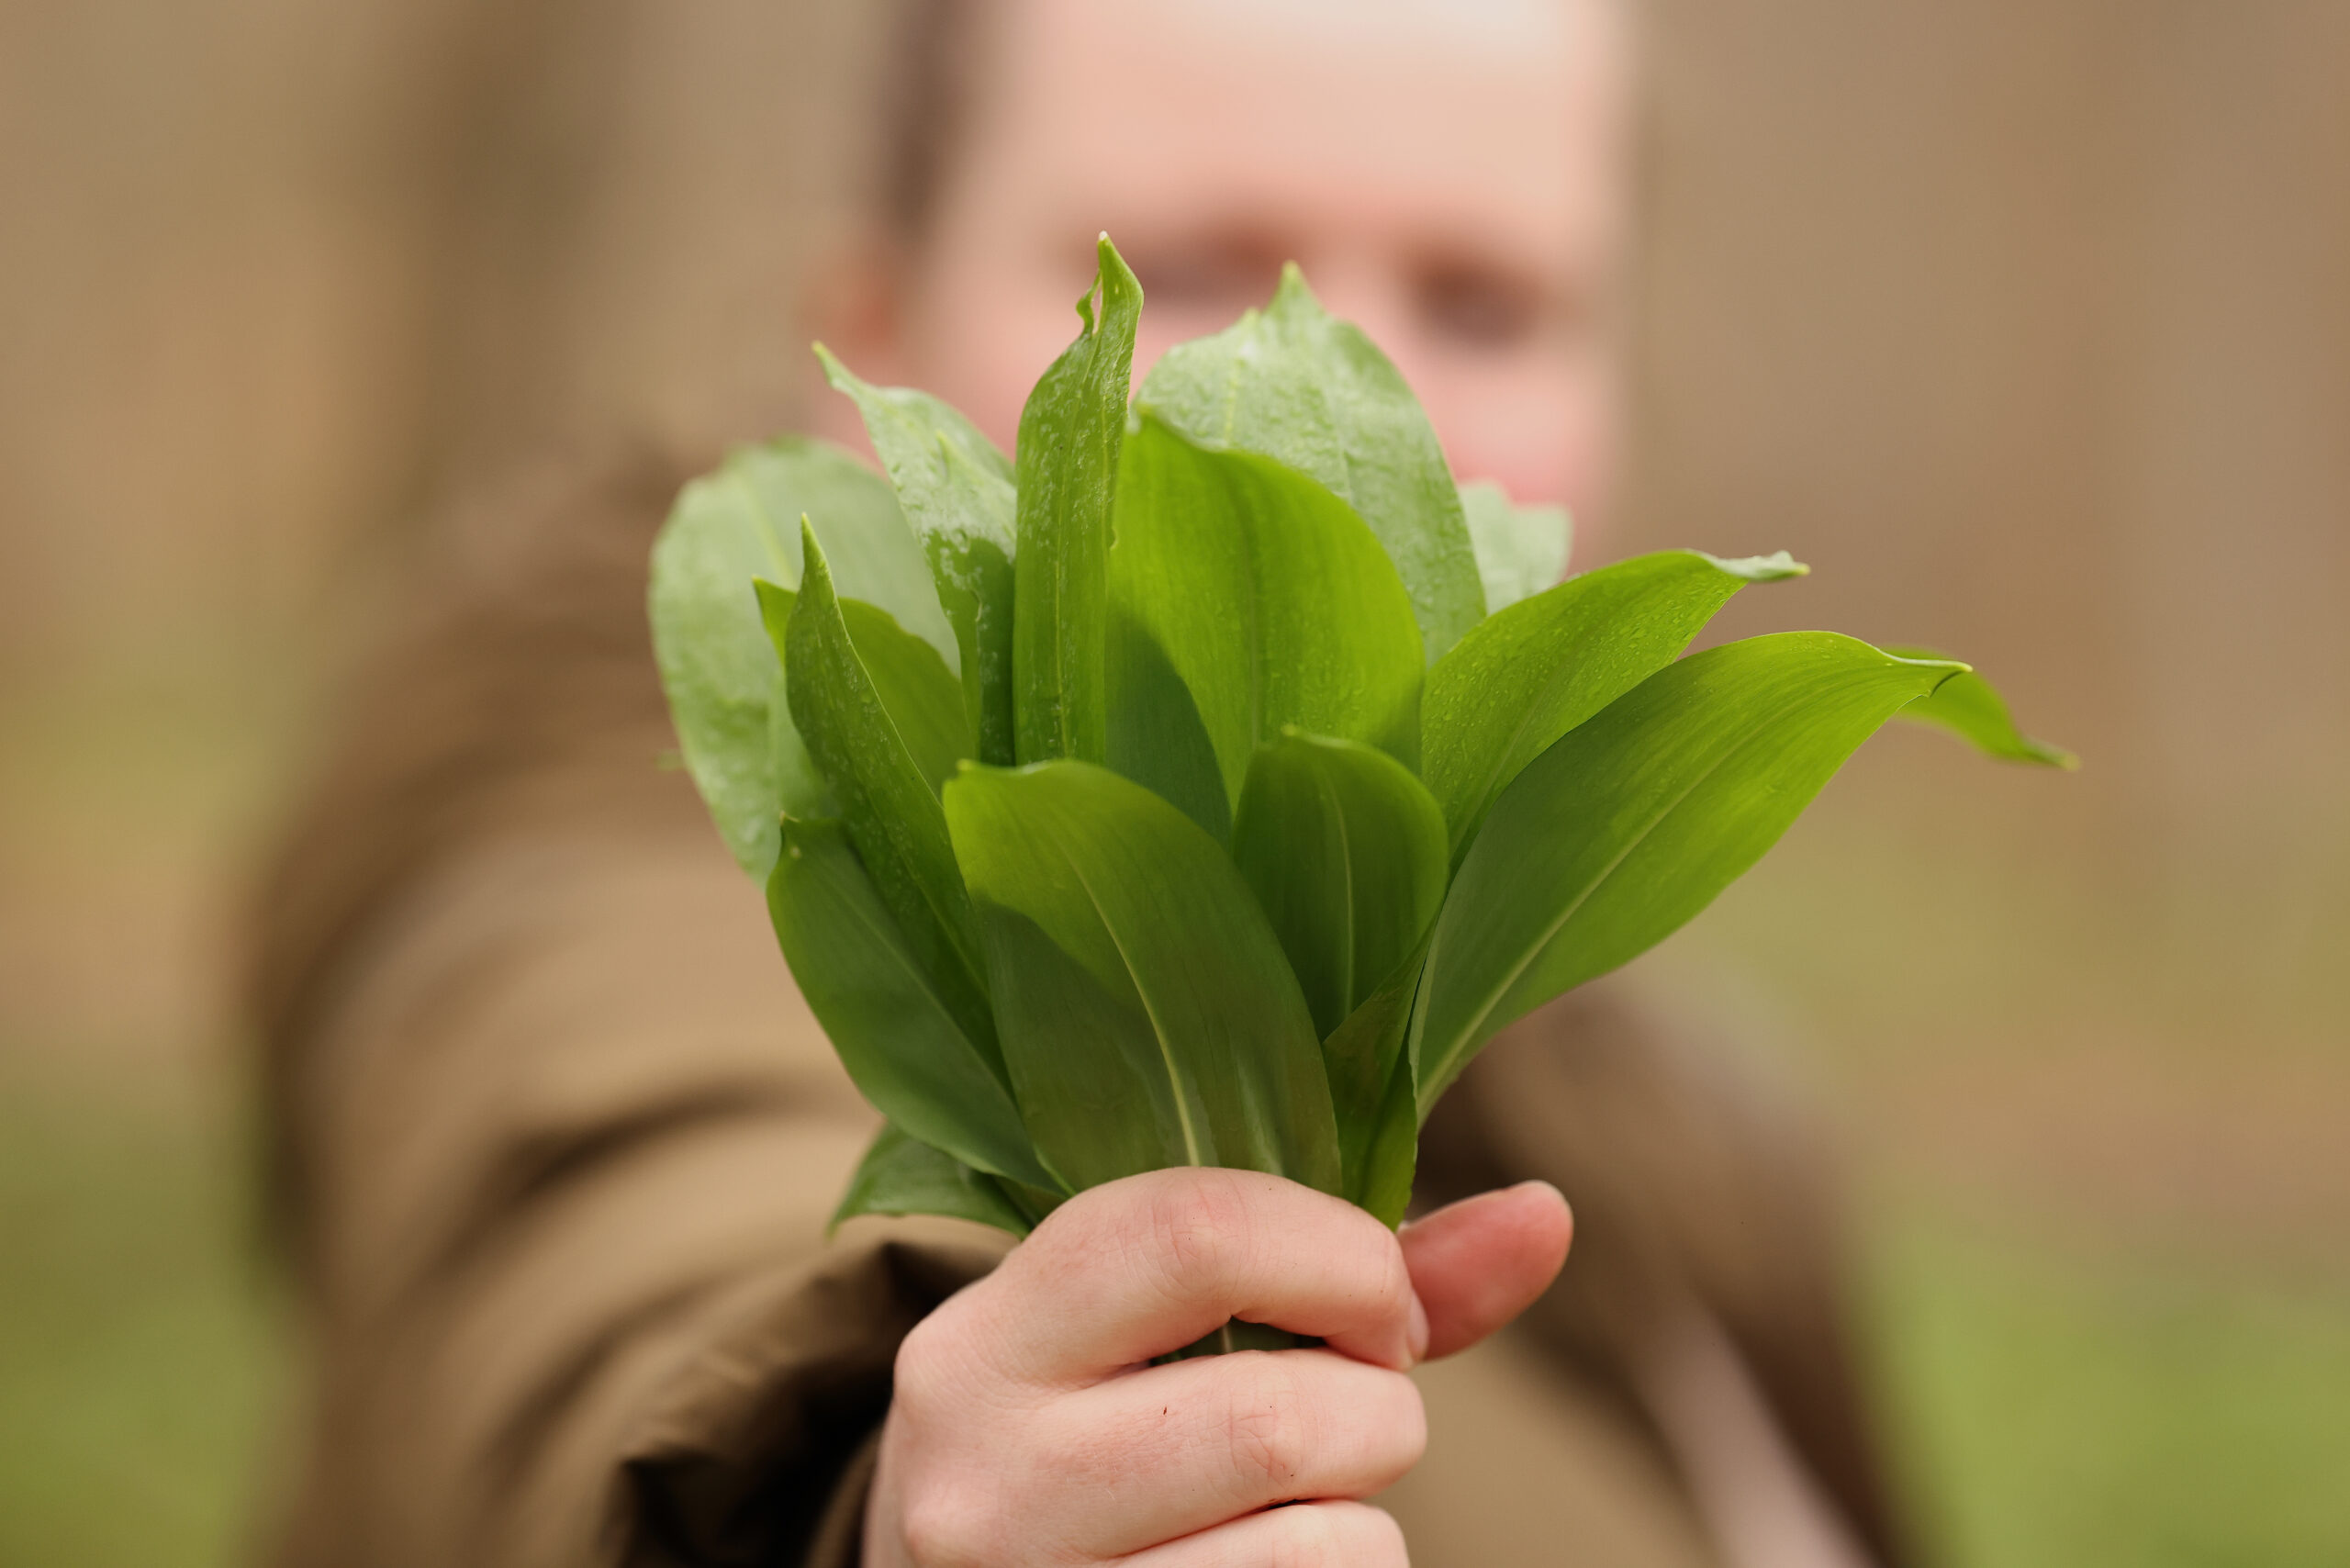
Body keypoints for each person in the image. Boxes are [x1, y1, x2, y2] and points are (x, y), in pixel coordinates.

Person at [250, 1, 1908, 1563]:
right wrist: (855, 1502)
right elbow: (617, 1212)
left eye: (1484, 301)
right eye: (1177, 268)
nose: (1334, 392)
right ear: (872, 327)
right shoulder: (605, 811)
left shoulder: (1655, 1094)